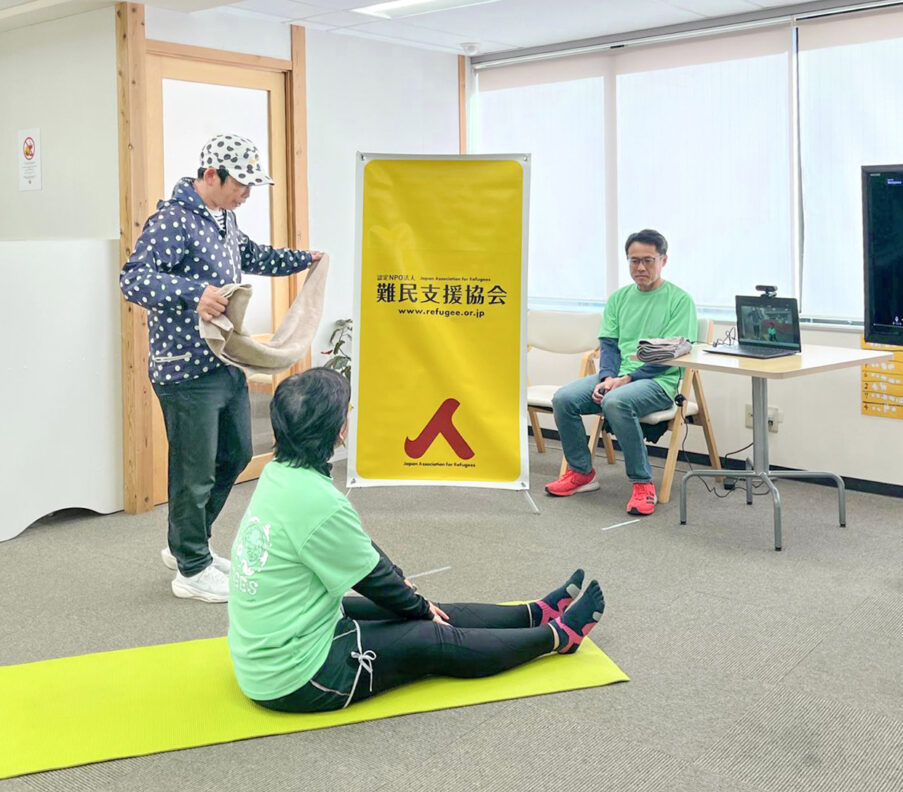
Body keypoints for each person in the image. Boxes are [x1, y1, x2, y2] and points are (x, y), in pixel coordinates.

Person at [227, 368, 606, 712]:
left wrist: (402, 582)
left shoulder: (282, 474)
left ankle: (536, 612)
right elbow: (374, 580)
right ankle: (558, 636)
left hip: (279, 645)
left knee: (425, 609)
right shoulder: (317, 501)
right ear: (337, 429)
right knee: (433, 634)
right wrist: (419, 608)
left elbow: (356, 545)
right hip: (297, 679)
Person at [120, 133, 323, 603]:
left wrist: (303, 260)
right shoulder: (172, 220)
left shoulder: (224, 218)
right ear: (211, 175)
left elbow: (252, 255)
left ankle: (188, 543)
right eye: (241, 184)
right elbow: (133, 279)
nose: (247, 193)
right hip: (185, 371)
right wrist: (195, 294)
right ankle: (191, 569)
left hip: (225, 361)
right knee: (194, 471)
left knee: (235, 454)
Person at [545, 229, 697, 516]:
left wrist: (626, 379)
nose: (640, 267)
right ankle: (581, 473)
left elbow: (670, 355)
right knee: (564, 399)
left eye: (648, 260)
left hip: (658, 381)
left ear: (663, 260)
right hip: (617, 377)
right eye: (634, 260)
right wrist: (606, 379)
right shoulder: (618, 298)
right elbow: (609, 346)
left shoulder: (680, 301)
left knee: (616, 401)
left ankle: (642, 483)